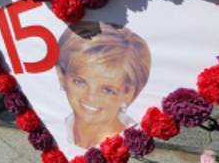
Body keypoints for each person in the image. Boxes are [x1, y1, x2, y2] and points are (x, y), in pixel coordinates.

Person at [55, 21, 151, 149]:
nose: (90, 98)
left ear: (128, 93)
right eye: (80, 82)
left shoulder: (133, 142)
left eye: (107, 90)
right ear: (62, 76)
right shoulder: (56, 127)